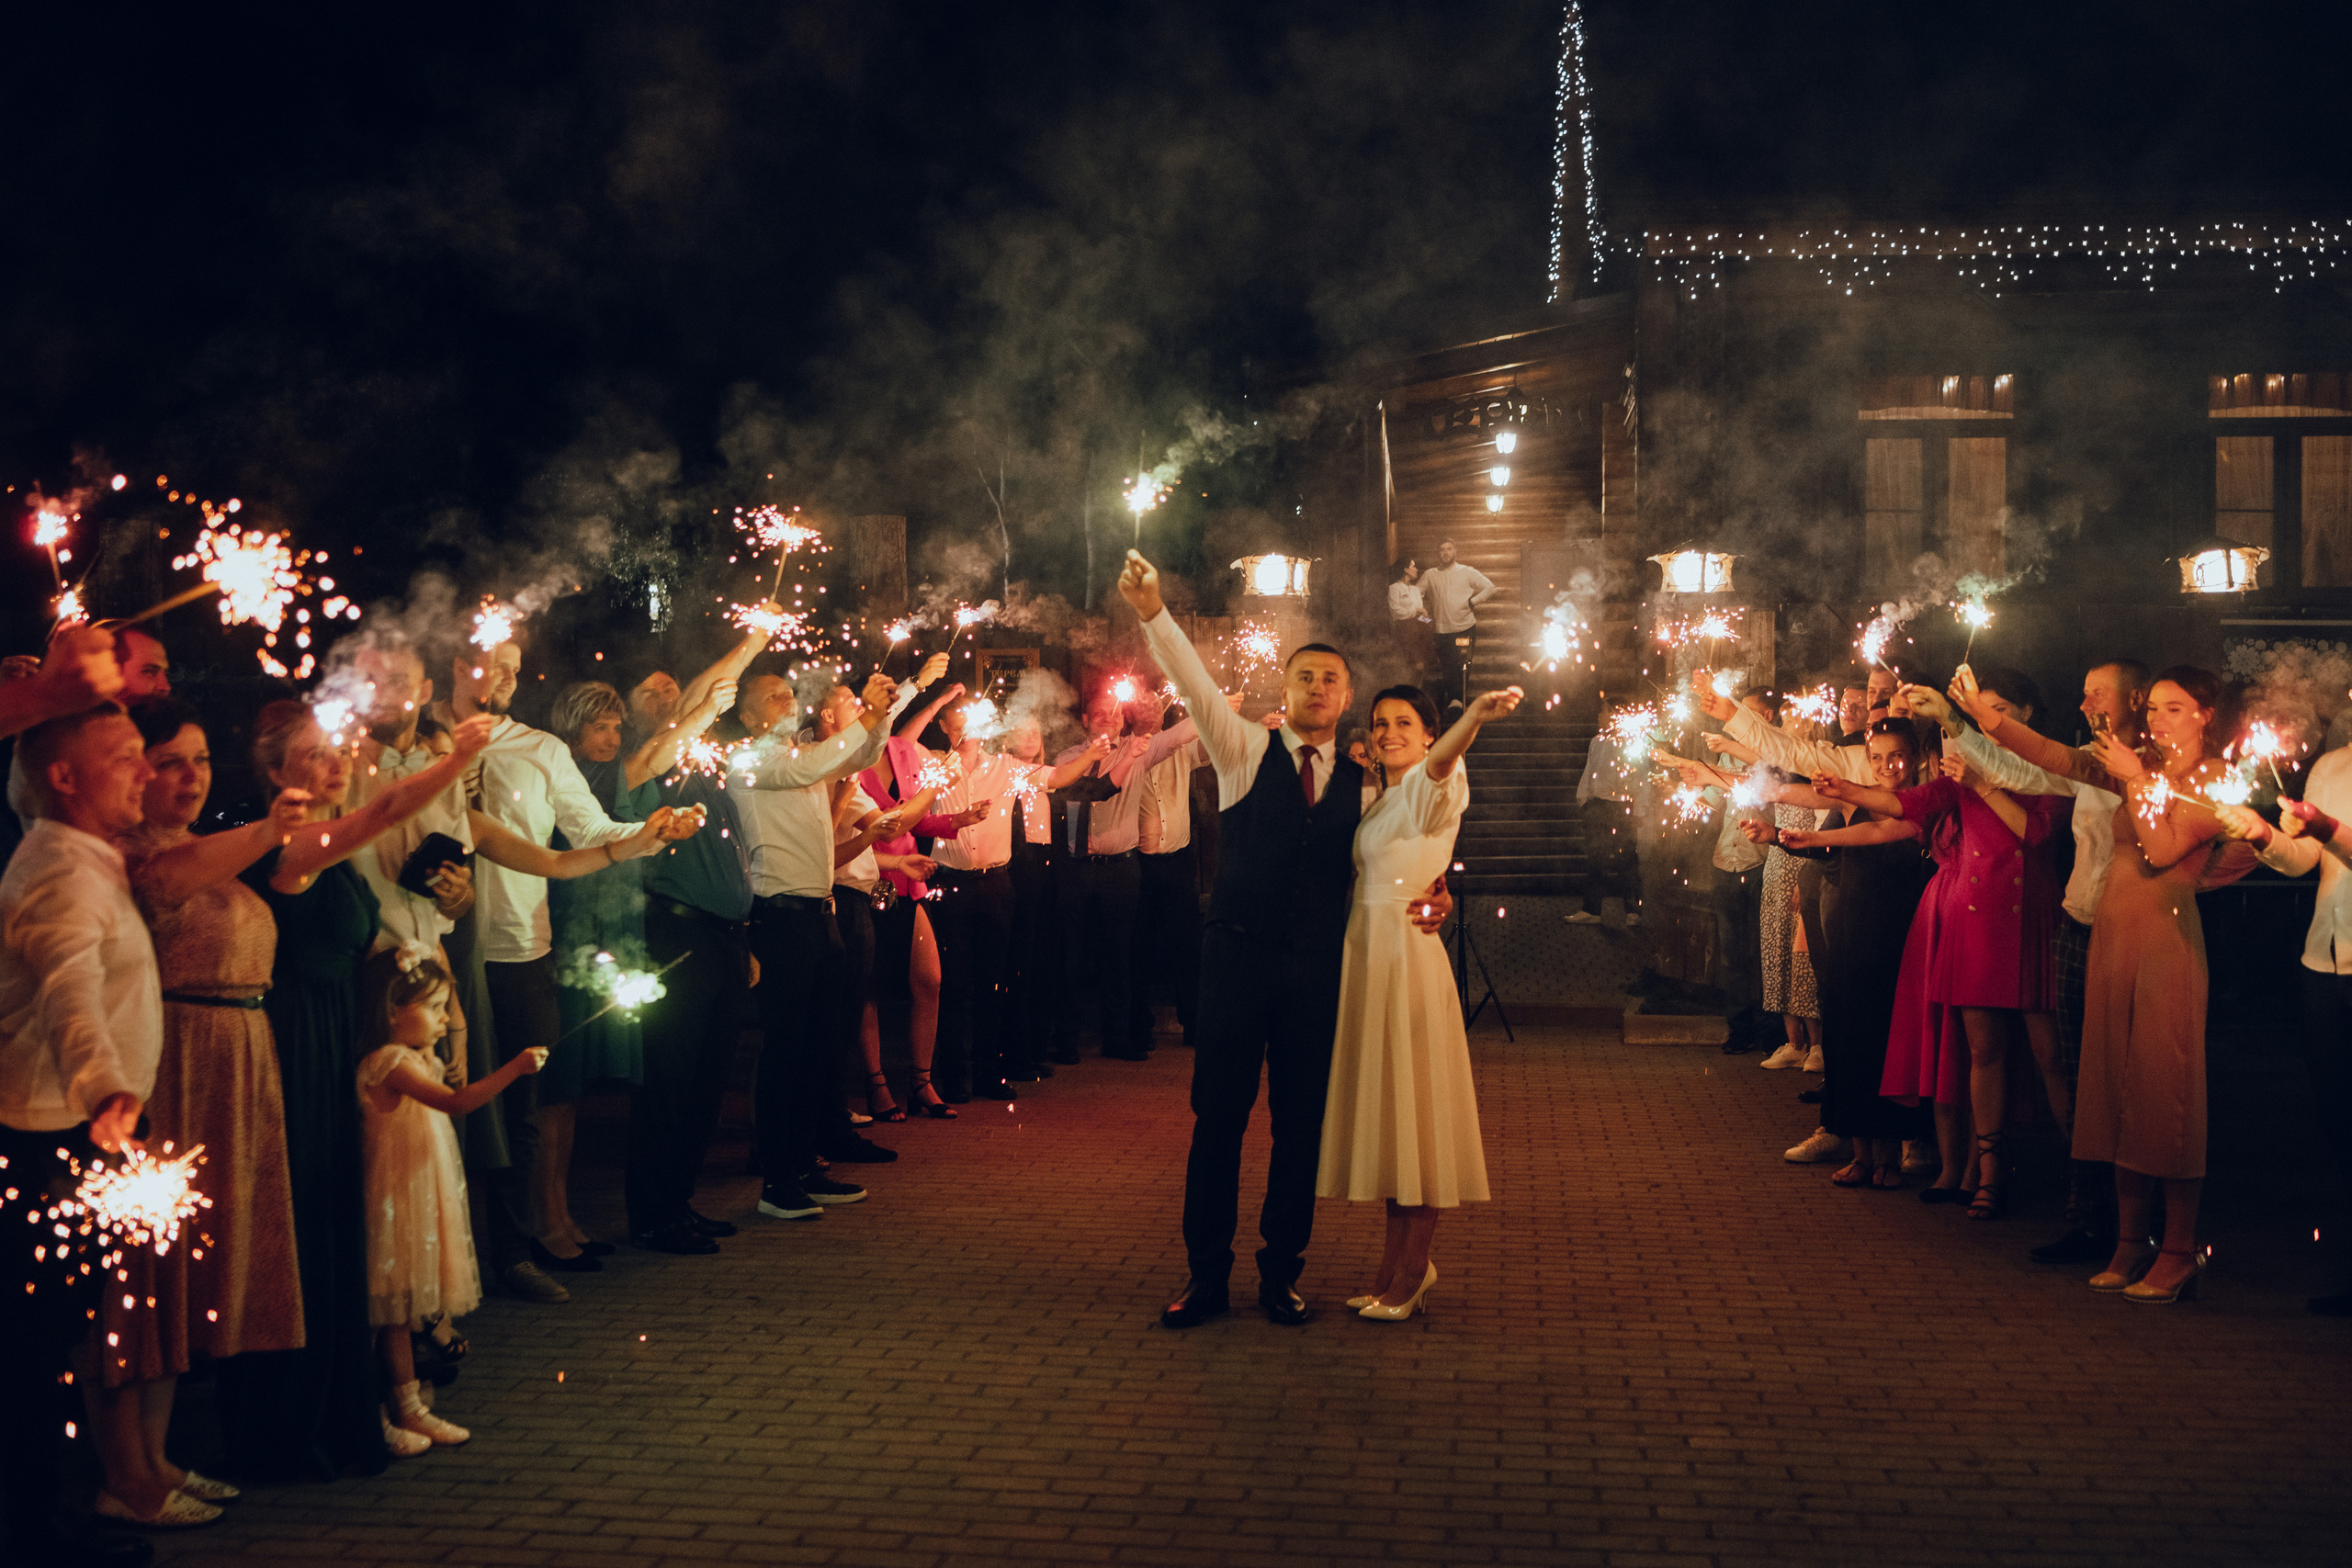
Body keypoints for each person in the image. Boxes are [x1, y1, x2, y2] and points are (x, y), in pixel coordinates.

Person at [1124, 549, 1450, 1328]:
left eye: (1331, 679)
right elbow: (1196, 682)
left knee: (1299, 1125)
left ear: (1346, 698)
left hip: (1315, 969)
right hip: (1234, 959)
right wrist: (1153, 612)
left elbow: (1406, 846)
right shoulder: (1242, 749)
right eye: (1305, 676)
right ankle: (1207, 1275)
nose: (1318, 688)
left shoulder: (1369, 777)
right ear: (1286, 688)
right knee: (1220, 1121)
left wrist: (1438, 889)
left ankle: (1281, 1274)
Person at [222, 702, 496, 1484]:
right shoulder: (295, 845)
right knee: (302, 1228)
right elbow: (383, 809)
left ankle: (356, 1407)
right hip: (297, 1042)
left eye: (336, 748)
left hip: (336, 1033)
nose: (336, 760)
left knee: (338, 1231)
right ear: (276, 774)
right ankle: (288, 1424)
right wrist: (451, 765)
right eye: (313, 754)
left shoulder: (335, 850)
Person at [1963, 664, 2256, 1303]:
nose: (2156, 719)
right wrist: (1988, 719)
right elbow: (2059, 757)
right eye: (2153, 707)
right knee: (2113, 1089)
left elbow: (2159, 847)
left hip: (2167, 949)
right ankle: (2129, 1244)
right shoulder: (2137, 760)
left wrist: (2137, 777)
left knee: (2164, 1095)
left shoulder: (2213, 779)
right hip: (2113, 944)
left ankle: (2178, 1250)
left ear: (2205, 715)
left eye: (2173, 708)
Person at [88, 702, 312, 1526]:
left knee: (182, 1277)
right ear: (135, 771)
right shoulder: (124, 856)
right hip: (170, 1065)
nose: (191, 777)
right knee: (142, 1283)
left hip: (231, 1064)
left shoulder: (203, 851)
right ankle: (123, 1474)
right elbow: (166, 890)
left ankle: (159, 1456)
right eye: (172, 761)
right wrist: (272, 823)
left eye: (203, 760)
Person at [447, 637, 674, 1293]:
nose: (508, 679)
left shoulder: (538, 749)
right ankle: (444, 1261)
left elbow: (591, 829)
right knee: (440, 1111)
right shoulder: (426, 747)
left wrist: (647, 833)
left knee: (525, 1105)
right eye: (495, 665)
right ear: (458, 666)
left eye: (517, 668)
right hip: (436, 950)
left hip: (520, 946)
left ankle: (514, 1252)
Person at [1908, 660, 2146, 1262]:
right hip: (2073, 917)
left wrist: (1964, 721)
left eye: (2099, 690)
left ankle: (2112, 1206)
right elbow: (2019, 765)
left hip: (2081, 920)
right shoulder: (2076, 758)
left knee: (2071, 1063)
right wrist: (1953, 721)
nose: (2086, 697)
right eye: (2085, 688)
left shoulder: (2127, 766)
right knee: (2012, 1053)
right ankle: (2062, 1199)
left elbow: (2032, 808)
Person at [0, 703, 160, 1568]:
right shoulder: (61, 871)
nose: (145, 769)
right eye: (124, 756)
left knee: (53, 1341)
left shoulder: (81, 856)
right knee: (32, 1351)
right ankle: (37, 1535)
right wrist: (106, 1088)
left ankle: (46, 1521)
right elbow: (71, 993)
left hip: (71, 1130)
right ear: (64, 778)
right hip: (46, 1137)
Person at [1823, 667, 2070, 1220]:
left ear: (2028, 716)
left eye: (2001, 710)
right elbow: (1912, 804)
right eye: (1985, 711)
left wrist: (1981, 780)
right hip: (1977, 922)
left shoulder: (2052, 767)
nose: (1992, 720)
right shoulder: (1968, 769)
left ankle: (2083, 1175)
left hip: (2029, 918)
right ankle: (1986, 1172)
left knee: (2051, 1056)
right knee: (1981, 1051)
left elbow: (2033, 835)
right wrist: (1846, 789)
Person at [1321, 683, 1520, 1319]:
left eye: (1403, 722)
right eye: (1379, 722)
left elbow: (1439, 766)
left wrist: (1474, 718)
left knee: (1419, 1113)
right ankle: (1393, 1265)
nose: (1386, 732)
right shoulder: (1378, 798)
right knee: (1392, 1114)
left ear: (1431, 732)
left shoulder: (1439, 778)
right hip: (1366, 955)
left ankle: (1412, 1271)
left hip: (1406, 957)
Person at [539, 678, 723, 1267]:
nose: (613, 738)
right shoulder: (554, 780)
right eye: (601, 727)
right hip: (565, 942)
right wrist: (713, 700)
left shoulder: (615, 777)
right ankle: (548, 1222)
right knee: (557, 1090)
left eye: (617, 727)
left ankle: (563, 1216)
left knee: (576, 1094)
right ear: (572, 730)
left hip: (609, 942)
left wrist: (662, 830)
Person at [737, 666, 927, 1220]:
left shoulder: (798, 758)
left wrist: (882, 709)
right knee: (786, 1050)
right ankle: (776, 1181)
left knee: (817, 1048)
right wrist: (867, 712)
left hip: (820, 916)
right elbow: (830, 757)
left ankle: (804, 1166)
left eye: (787, 692)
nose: (786, 700)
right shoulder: (751, 760)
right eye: (772, 697)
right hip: (781, 917)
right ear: (747, 716)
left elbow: (860, 756)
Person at [356, 947, 548, 1454]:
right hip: (392, 1201)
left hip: (416, 1197)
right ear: (392, 1011)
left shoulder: (414, 1058)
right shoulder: (390, 1061)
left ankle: (411, 1407)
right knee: (385, 1312)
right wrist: (515, 1068)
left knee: (400, 1310)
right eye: (434, 1007)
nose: (445, 1019)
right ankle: (378, 1413)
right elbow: (456, 1105)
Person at [1743, 719, 1937, 1188]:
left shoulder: (1922, 805)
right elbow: (1829, 849)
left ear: (1913, 759)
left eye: (1896, 757)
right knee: (1847, 1040)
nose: (1886, 767)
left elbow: (1876, 837)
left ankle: (1890, 1153)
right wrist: (1779, 838)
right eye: (1877, 758)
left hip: (1897, 938)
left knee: (1883, 1044)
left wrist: (1811, 836)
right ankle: (1861, 1151)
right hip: (1849, 931)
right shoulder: (1853, 801)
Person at [2216, 786, 2352, 1315]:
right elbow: (2302, 863)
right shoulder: (2332, 765)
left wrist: (2327, 829)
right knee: (2340, 1121)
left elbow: (2329, 839)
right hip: (2323, 960)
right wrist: (2265, 835)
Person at [1051, 684, 1201, 1063]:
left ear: (1124, 721)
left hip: (1122, 869)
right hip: (1076, 869)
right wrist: (1103, 757)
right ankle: (1066, 1040)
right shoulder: (1068, 757)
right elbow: (1086, 794)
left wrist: (1208, 699)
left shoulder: (1139, 749)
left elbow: (1183, 732)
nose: (1109, 718)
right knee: (1071, 958)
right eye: (1101, 713)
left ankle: (1117, 1038)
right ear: (1085, 720)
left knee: (1120, 956)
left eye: (1116, 713)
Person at [1130, 701, 1207, 1054]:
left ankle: (1194, 1024)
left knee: (1188, 946)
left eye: (1156, 708)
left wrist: (1221, 715)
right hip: (1139, 863)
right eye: (1143, 708)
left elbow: (1207, 746)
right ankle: (1138, 1027)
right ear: (1131, 715)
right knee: (1138, 948)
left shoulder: (1182, 747)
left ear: (1162, 715)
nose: (1151, 713)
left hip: (1178, 861)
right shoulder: (1125, 752)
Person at [1416, 539, 1496, 712]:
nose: (1445, 553)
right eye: (1442, 549)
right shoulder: (1430, 574)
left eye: (1449, 549)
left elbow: (1489, 587)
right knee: (1447, 665)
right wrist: (1422, 612)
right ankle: (1454, 699)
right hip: (1441, 630)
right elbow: (1416, 593)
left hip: (1465, 627)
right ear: (1438, 553)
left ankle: (1459, 699)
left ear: (1455, 551)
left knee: (1463, 663)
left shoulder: (1466, 572)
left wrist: (1473, 601)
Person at [1385, 559, 1433, 677]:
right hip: (1405, 632)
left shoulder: (1416, 590)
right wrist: (1416, 610)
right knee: (1410, 668)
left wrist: (1428, 620)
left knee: (1422, 667)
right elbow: (1396, 612)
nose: (1416, 569)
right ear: (1405, 569)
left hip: (1419, 630)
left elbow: (1421, 615)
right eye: (1413, 566)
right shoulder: (1394, 589)